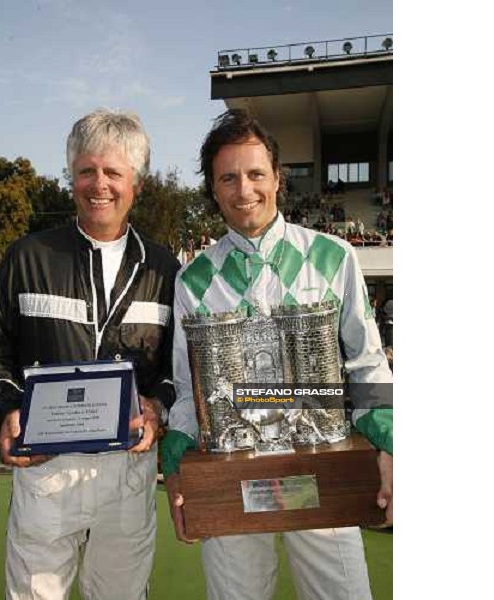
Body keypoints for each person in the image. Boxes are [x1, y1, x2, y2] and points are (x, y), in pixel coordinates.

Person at [162, 110, 393, 600]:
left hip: (321, 463)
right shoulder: (192, 278)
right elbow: (188, 390)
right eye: (228, 177)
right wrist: (179, 461)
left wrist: (391, 443)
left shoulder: (334, 255)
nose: (244, 189)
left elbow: (369, 364)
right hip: (232, 470)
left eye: (255, 174)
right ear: (212, 187)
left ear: (277, 178)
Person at [0, 109, 181, 600]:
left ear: (135, 183)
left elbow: (175, 368)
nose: (99, 184)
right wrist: (9, 409)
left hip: (128, 470)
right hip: (45, 468)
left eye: (113, 172)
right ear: (71, 177)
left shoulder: (164, 267)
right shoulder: (27, 256)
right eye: (86, 170)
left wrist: (157, 407)